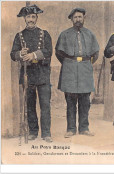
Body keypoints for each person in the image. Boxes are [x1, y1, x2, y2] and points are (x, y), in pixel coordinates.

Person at [10, 5, 53, 143]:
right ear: (24, 19)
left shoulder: (44, 34)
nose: (31, 19)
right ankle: (33, 132)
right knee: (30, 105)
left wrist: (33, 55)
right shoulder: (19, 36)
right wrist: (20, 54)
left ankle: (46, 133)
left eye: (33, 17)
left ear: (37, 18)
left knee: (45, 105)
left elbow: (48, 51)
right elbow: (12, 54)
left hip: (42, 74)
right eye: (28, 17)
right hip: (27, 75)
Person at [55, 8, 99, 138]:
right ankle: (71, 129)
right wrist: (70, 63)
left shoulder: (90, 34)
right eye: (75, 17)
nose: (78, 19)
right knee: (70, 101)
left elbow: (95, 53)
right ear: (71, 19)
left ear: (84, 18)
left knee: (85, 101)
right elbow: (59, 53)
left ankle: (84, 128)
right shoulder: (64, 34)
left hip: (85, 68)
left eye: (80, 17)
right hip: (70, 68)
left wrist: (85, 63)